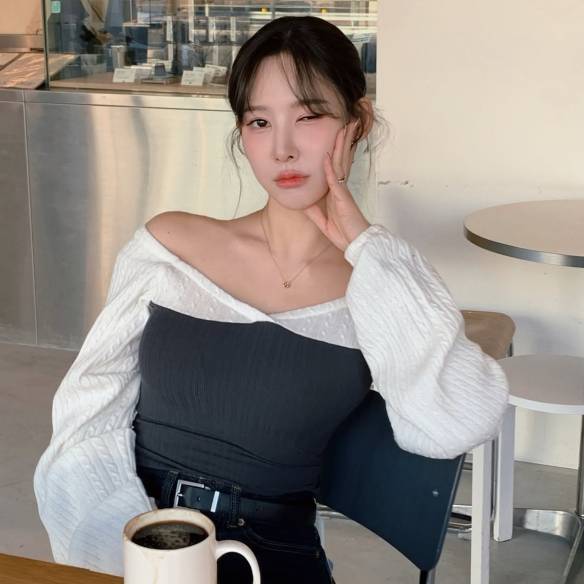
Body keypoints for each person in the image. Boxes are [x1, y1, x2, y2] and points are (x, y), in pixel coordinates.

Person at [33, 15, 509, 583]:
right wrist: (135, 553)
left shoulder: (376, 284)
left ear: (357, 122)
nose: (283, 149)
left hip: (273, 556)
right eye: (260, 122)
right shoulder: (169, 246)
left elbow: (456, 421)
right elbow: (85, 420)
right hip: (142, 537)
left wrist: (366, 245)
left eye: (309, 116)